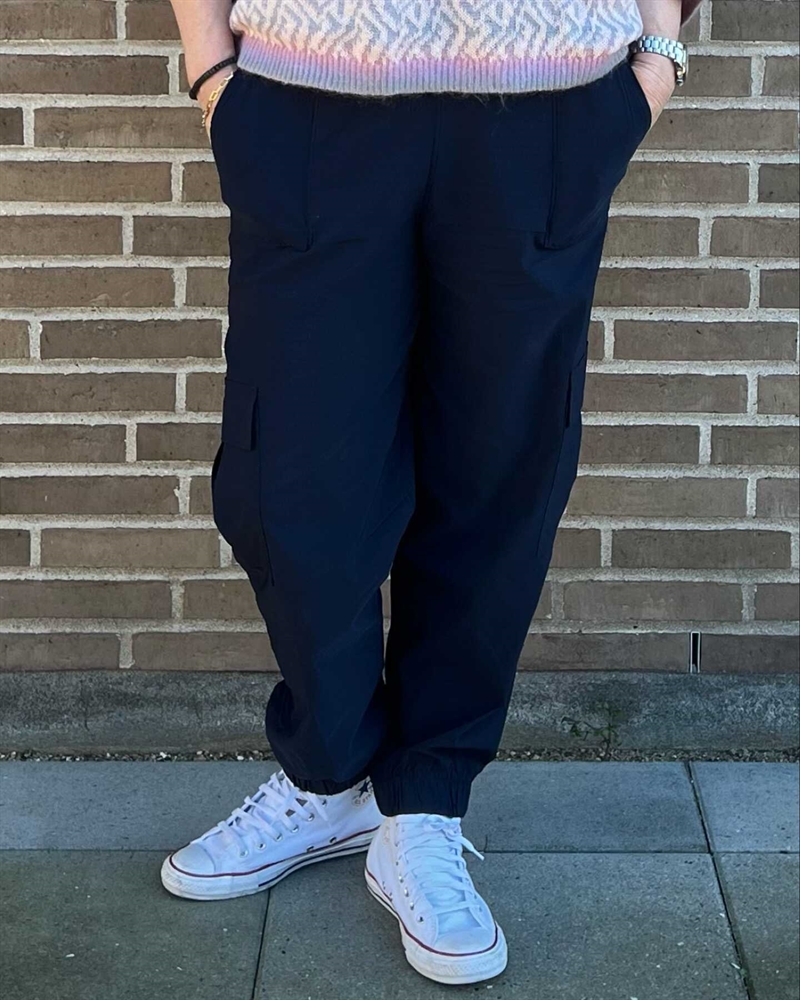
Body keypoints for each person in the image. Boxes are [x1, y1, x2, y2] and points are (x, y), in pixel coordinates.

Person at [162, 0, 699, 986]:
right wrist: (210, 65)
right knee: (291, 480)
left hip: (545, 107)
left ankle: (424, 803)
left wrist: (656, 59)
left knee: (494, 478)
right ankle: (329, 773)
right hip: (306, 98)